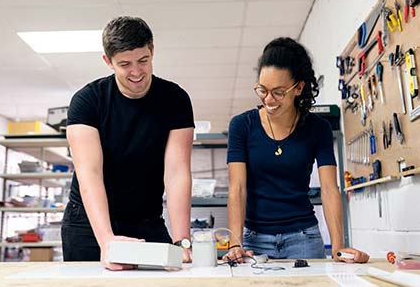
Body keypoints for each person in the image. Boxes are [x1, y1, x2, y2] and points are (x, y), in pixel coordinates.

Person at [62, 16, 194, 270]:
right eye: (125, 64)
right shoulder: (87, 101)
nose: (136, 72)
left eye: (143, 61)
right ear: (108, 61)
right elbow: (89, 172)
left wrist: (182, 241)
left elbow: (177, 172)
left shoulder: (175, 100)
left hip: (145, 219)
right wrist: (106, 241)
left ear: (152, 51)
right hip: (89, 224)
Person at [225, 37, 369, 263]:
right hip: (254, 240)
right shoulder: (242, 126)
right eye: (262, 89)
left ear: (299, 88)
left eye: (278, 92)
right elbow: (238, 188)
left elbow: (330, 189)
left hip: (304, 238)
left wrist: (338, 248)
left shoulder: (317, 129)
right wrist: (235, 243)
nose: (268, 99)